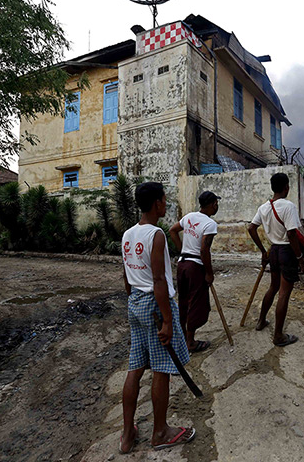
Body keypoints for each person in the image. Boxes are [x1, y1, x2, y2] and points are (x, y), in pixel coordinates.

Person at [120, 182, 195, 453]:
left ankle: (127, 436)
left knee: (135, 367)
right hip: (154, 305)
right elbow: (159, 279)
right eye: (164, 199)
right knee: (161, 369)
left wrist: (134, 299)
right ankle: (160, 432)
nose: (166, 203)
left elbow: (127, 276)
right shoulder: (157, 235)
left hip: (135, 304)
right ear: (156, 203)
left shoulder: (128, 234)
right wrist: (166, 320)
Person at [248, 172, 304, 347]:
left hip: (273, 250)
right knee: (284, 293)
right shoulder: (288, 207)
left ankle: (261, 321)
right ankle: (278, 335)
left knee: (273, 287)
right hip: (287, 251)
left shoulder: (264, 207)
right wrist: (300, 257)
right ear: (286, 187)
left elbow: (251, 228)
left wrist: (263, 251)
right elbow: (291, 233)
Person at [169, 190, 220, 353]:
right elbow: (205, 250)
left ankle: (184, 339)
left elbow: (172, 230)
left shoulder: (189, 217)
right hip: (195, 267)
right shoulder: (209, 224)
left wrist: (182, 249)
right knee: (196, 303)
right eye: (216, 203)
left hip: (183, 264)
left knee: (184, 301)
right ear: (213, 204)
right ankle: (190, 342)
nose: (217, 206)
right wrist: (209, 273)